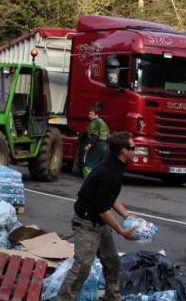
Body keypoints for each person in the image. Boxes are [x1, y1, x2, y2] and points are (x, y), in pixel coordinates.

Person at [57, 131, 139, 301]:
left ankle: (112, 297)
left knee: (112, 261)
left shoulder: (115, 164)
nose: (135, 151)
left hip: (99, 223)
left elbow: (110, 196)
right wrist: (121, 231)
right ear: (123, 151)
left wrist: (125, 214)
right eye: (133, 148)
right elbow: (103, 208)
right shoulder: (109, 172)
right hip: (87, 224)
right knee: (83, 266)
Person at [83, 106, 110, 179]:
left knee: (88, 165)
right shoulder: (103, 123)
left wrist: (89, 145)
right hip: (104, 147)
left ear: (96, 115)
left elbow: (94, 136)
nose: (89, 116)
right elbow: (108, 136)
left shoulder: (95, 123)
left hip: (97, 146)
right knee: (98, 166)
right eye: (89, 114)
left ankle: (88, 181)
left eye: (91, 114)